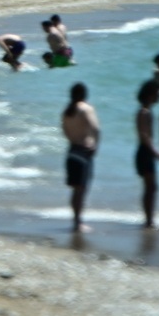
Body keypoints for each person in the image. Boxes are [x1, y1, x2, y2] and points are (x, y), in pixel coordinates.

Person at [62, 83, 99, 233]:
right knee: (81, 190)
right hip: (83, 151)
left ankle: (76, 221)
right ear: (84, 94)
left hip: (72, 150)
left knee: (75, 189)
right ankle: (78, 223)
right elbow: (96, 128)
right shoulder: (86, 108)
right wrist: (95, 145)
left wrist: (74, 139)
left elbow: (65, 131)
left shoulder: (67, 111)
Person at [134, 80, 159, 228]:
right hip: (145, 152)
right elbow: (144, 136)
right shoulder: (144, 112)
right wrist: (156, 153)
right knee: (151, 187)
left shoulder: (147, 111)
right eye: (158, 93)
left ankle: (149, 218)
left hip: (146, 151)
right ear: (151, 95)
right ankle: (148, 220)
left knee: (151, 187)